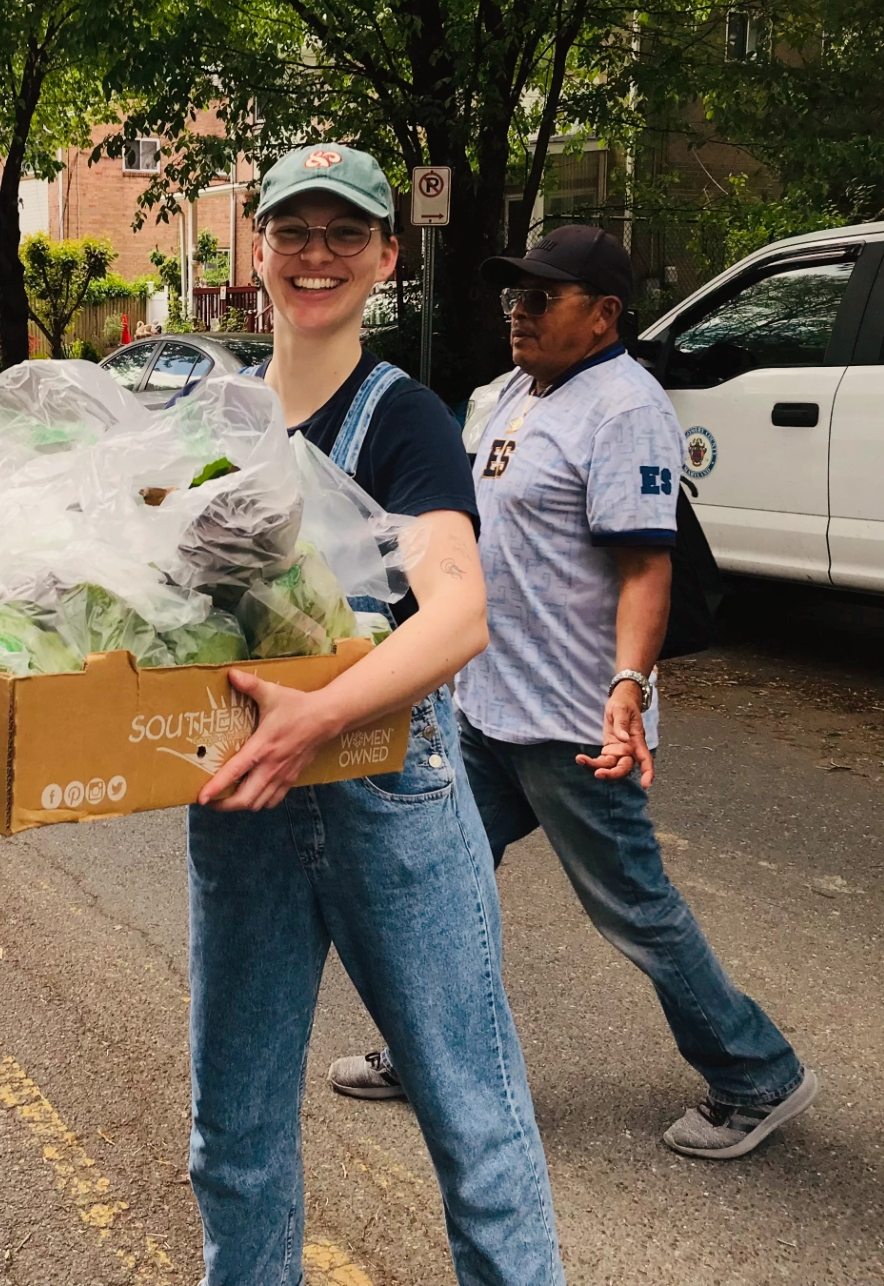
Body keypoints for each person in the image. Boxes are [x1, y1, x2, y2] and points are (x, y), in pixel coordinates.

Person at [329, 225, 817, 1160]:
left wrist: (629, 686)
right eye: (513, 295)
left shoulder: (626, 410)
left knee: (634, 907)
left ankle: (756, 1073)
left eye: (541, 298)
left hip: (573, 721)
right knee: (435, 877)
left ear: (603, 316)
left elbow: (645, 570)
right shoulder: (511, 392)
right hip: (484, 708)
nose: (518, 311)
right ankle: (424, 1050)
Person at [188, 144, 564, 1286]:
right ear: (258, 249)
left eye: (344, 234)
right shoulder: (217, 417)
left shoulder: (405, 424)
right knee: (235, 1137)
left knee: (473, 1121)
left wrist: (312, 716)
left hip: (390, 795)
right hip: (245, 800)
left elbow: (456, 615)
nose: (316, 256)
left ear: (386, 256)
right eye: (293, 232)